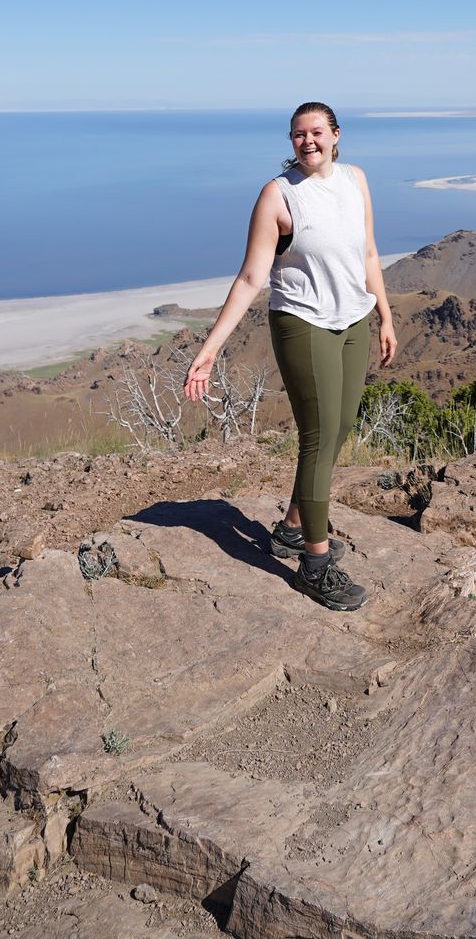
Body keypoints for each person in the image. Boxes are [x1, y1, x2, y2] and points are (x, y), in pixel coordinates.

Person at [184, 101, 397, 611]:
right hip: (304, 324)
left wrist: (386, 316)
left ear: (336, 135)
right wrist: (210, 349)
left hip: (353, 321)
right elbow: (252, 278)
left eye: (316, 132)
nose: (307, 142)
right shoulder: (278, 197)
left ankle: (290, 530)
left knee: (341, 428)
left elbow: (368, 252)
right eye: (298, 135)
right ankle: (315, 566)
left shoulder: (356, 180)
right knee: (319, 439)